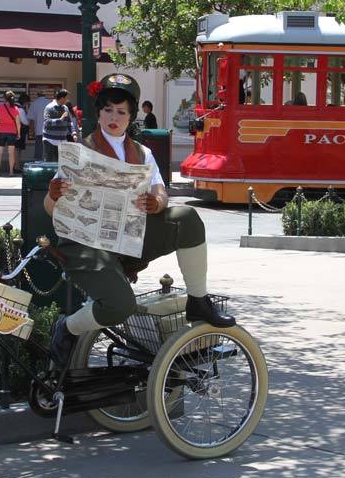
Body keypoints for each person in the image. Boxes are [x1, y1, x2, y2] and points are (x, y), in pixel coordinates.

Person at [44, 74, 235, 366]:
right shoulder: (80, 152)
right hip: (85, 243)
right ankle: (67, 328)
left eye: (121, 111)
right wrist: (54, 193)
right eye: (108, 110)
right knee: (120, 306)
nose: (113, 117)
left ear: (131, 116)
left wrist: (157, 203)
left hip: (125, 237)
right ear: (98, 113)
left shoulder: (143, 153)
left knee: (187, 217)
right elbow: (50, 207)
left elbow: (160, 190)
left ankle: (198, 301)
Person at [0, 90, 23, 175]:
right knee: (11, 153)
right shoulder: (15, 109)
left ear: (4, 98)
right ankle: (11, 172)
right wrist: (18, 133)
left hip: (1, 131)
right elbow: (18, 123)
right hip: (12, 132)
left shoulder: (0, 107)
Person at [43, 88, 77, 162]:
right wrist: (60, 120)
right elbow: (46, 122)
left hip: (62, 140)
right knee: (50, 163)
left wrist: (73, 133)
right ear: (62, 98)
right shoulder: (49, 107)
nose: (66, 99)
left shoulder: (65, 108)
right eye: (66, 98)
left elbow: (69, 122)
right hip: (50, 140)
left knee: (61, 163)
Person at [31, 91, 52, 161]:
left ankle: (38, 161)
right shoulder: (50, 103)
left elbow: (31, 119)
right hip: (49, 130)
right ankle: (48, 161)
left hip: (38, 130)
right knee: (48, 147)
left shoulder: (34, 103)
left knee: (38, 147)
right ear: (44, 95)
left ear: (37, 95)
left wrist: (32, 130)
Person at [15, 92, 31, 166]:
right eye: (27, 103)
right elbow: (25, 122)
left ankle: (15, 166)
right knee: (18, 150)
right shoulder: (20, 109)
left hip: (14, 130)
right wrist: (29, 121)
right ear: (25, 102)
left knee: (16, 149)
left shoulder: (15, 107)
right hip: (20, 131)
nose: (27, 105)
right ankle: (17, 166)